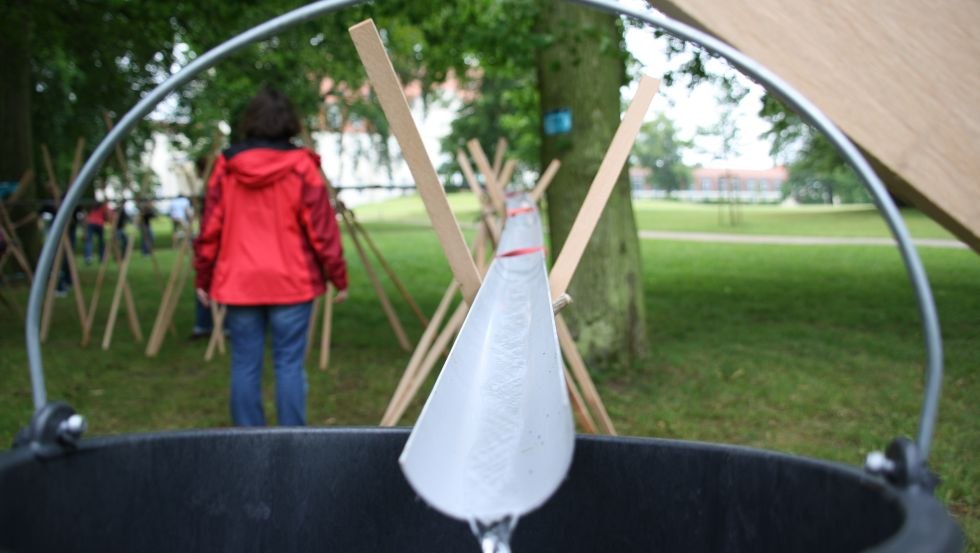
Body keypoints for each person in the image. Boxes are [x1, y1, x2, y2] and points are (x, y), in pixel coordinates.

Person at [194, 86, 348, 427]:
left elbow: (209, 230)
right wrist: (338, 276)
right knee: (289, 364)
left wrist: (203, 277)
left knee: (245, 364)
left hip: (240, 283)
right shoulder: (302, 166)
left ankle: (249, 443)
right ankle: (292, 442)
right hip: (292, 282)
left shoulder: (226, 167)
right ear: (289, 122)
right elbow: (322, 229)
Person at [83, 198, 108, 264]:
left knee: (89, 241)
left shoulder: (92, 208)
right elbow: (107, 215)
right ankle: (101, 257)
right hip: (99, 224)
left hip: (91, 223)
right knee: (101, 242)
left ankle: (88, 256)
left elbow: (87, 217)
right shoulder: (102, 207)